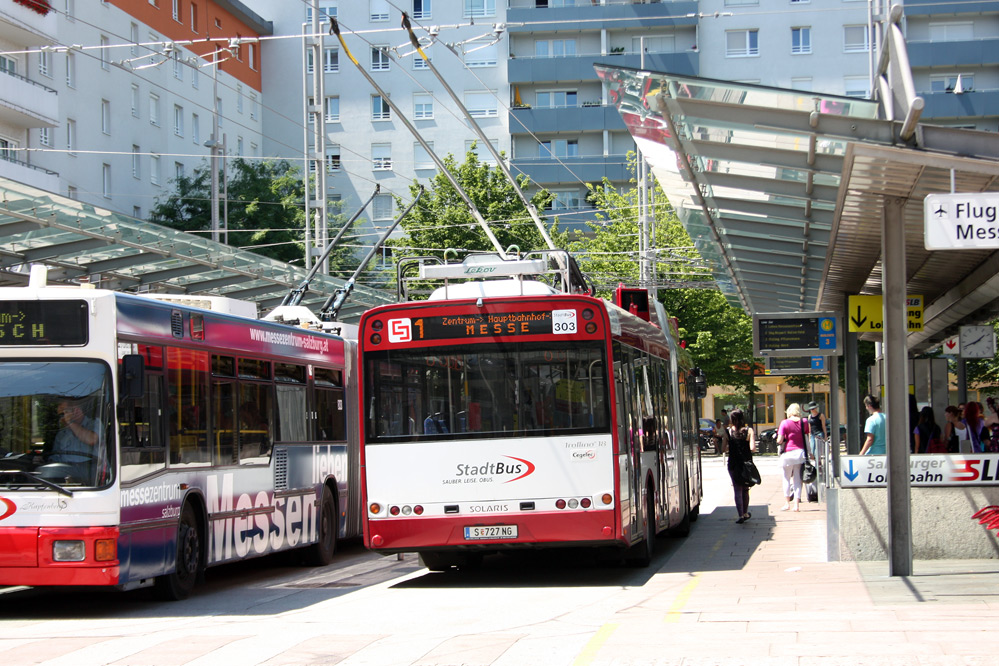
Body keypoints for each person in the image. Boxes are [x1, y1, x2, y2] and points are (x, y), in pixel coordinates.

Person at [776, 403, 810, 512]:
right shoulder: (804, 422)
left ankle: (787, 503)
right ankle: (796, 505)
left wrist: (779, 438)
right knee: (797, 479)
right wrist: (810, 452)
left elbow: (779, 440)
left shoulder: (784, 423)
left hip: (788, 454)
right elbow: (806, 437)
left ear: (789, 412)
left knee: (786, 478)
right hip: (800, 453)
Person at [724, 408, 756, 524]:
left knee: (737, 488)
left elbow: (723, 448)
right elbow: (753, 448)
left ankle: (740, 515)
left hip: (733, 464)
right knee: (745, 489)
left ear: (731, 419)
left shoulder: (728, 431)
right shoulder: (749, 430)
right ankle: (746, 513)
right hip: (746, 464)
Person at [51, 399, 101, 463]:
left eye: (65, 413)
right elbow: (56, 457)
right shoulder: (62, 434)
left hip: (91, 470)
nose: (62, 418)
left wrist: (70, 422)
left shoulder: (94, 423)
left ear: (76, 410)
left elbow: (91, 440)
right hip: (66, 471)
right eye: (60, 415)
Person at [806, 401, 827, 467]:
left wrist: (825, 436)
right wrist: (809, 437)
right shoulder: (809, 416)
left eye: (813, 408)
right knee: (812, 449)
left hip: (819, 434)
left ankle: (818, 463)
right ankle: (817, 462)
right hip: (812, 434)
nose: (812, 410)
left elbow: (823, 426)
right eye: (811, 409)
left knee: (817, 451)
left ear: (816, 408)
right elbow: (809, 427)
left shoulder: (821, 415)